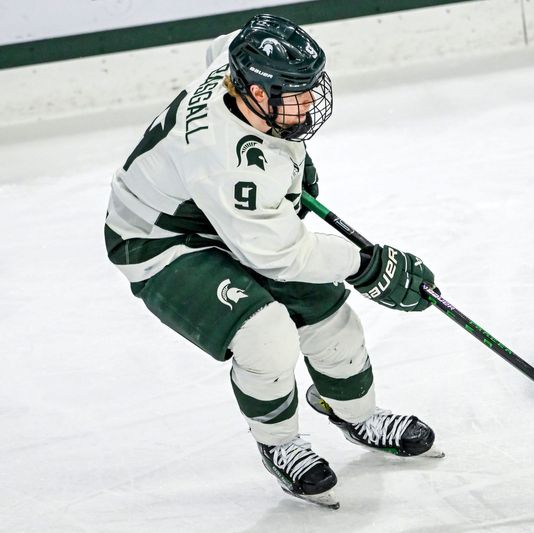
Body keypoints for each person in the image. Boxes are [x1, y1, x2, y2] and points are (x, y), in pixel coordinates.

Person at [104, 14, 441, 509]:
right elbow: (283, 252)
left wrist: (289, 162)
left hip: (219, 213)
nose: (310, 101)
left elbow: (223, 42)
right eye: (296, 93)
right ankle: (280, 445)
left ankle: (356, 414)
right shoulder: (223, 159)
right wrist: (369, 265)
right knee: (265, 334)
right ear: (258, 94)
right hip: (159, 239)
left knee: (328, 314)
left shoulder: (236, 66)